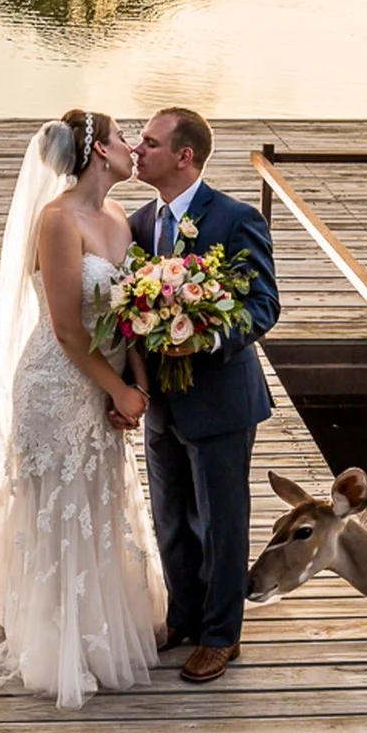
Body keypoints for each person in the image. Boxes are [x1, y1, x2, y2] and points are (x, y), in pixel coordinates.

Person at [0, 111, 168, 710]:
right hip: (55, 383)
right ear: (98, 152)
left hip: (108, 382)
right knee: (60, 503)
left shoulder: (119, 216)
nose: (131, 147)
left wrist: (138, 385)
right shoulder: (57, 220)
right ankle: (53, 634)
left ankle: (103, 618)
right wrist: (116, 389)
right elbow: (68, 329)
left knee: (98, 499)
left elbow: (132, 314)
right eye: (121, 138)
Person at [127, 107, 281, 683]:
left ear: (184, 155)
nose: (138, 150)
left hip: (221, 399)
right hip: (161, 403)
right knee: (171, 518)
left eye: (150, 142)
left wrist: (209, 337)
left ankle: (221, 635)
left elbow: (264, 304)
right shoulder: (140, 223)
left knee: (222, 523)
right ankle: (184, 616)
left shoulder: (236, 218)